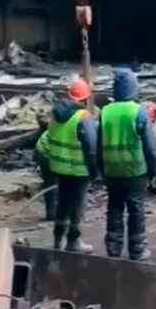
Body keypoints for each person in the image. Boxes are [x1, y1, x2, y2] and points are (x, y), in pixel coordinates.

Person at [98, 69, 156, 261]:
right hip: (135, 171)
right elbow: (150, 147)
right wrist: (153, 170)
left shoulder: (105, 112)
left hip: (112, 171)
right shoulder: (138, 111)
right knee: (136, 209)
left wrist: (101, 169)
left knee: (114, 208)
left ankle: (114, 248)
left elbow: (98, 145)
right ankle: (137, 250)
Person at [47, 79, 97, 252]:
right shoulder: (82, 117)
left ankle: (57, 240)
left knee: (62, 202)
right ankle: (73, 241)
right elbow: (91, 147)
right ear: (85, 99)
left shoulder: (55, 113)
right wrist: (94, 171)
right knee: (78, 205)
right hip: (78, 169)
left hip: (59, 167)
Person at [34, 115, 57, 221]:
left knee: (51, 182)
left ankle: (52, 213)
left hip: (42, 149)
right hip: (50, 153)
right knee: (55, 182)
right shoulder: (86, 127)